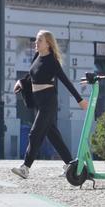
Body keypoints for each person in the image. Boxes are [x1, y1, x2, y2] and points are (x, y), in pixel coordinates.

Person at [12, 30, 89, 179]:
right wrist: (21, 82)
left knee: (34, 133)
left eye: (39, 40)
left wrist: (79, 100)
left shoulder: (52, 61)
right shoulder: (37, 56)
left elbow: (65, 81)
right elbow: (31, 75)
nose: (36, 43)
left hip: (48, 101)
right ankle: (70, 164)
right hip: (39, 102)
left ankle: (25, 167)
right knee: (53, 136)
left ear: (48, 44)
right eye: (36, 40)